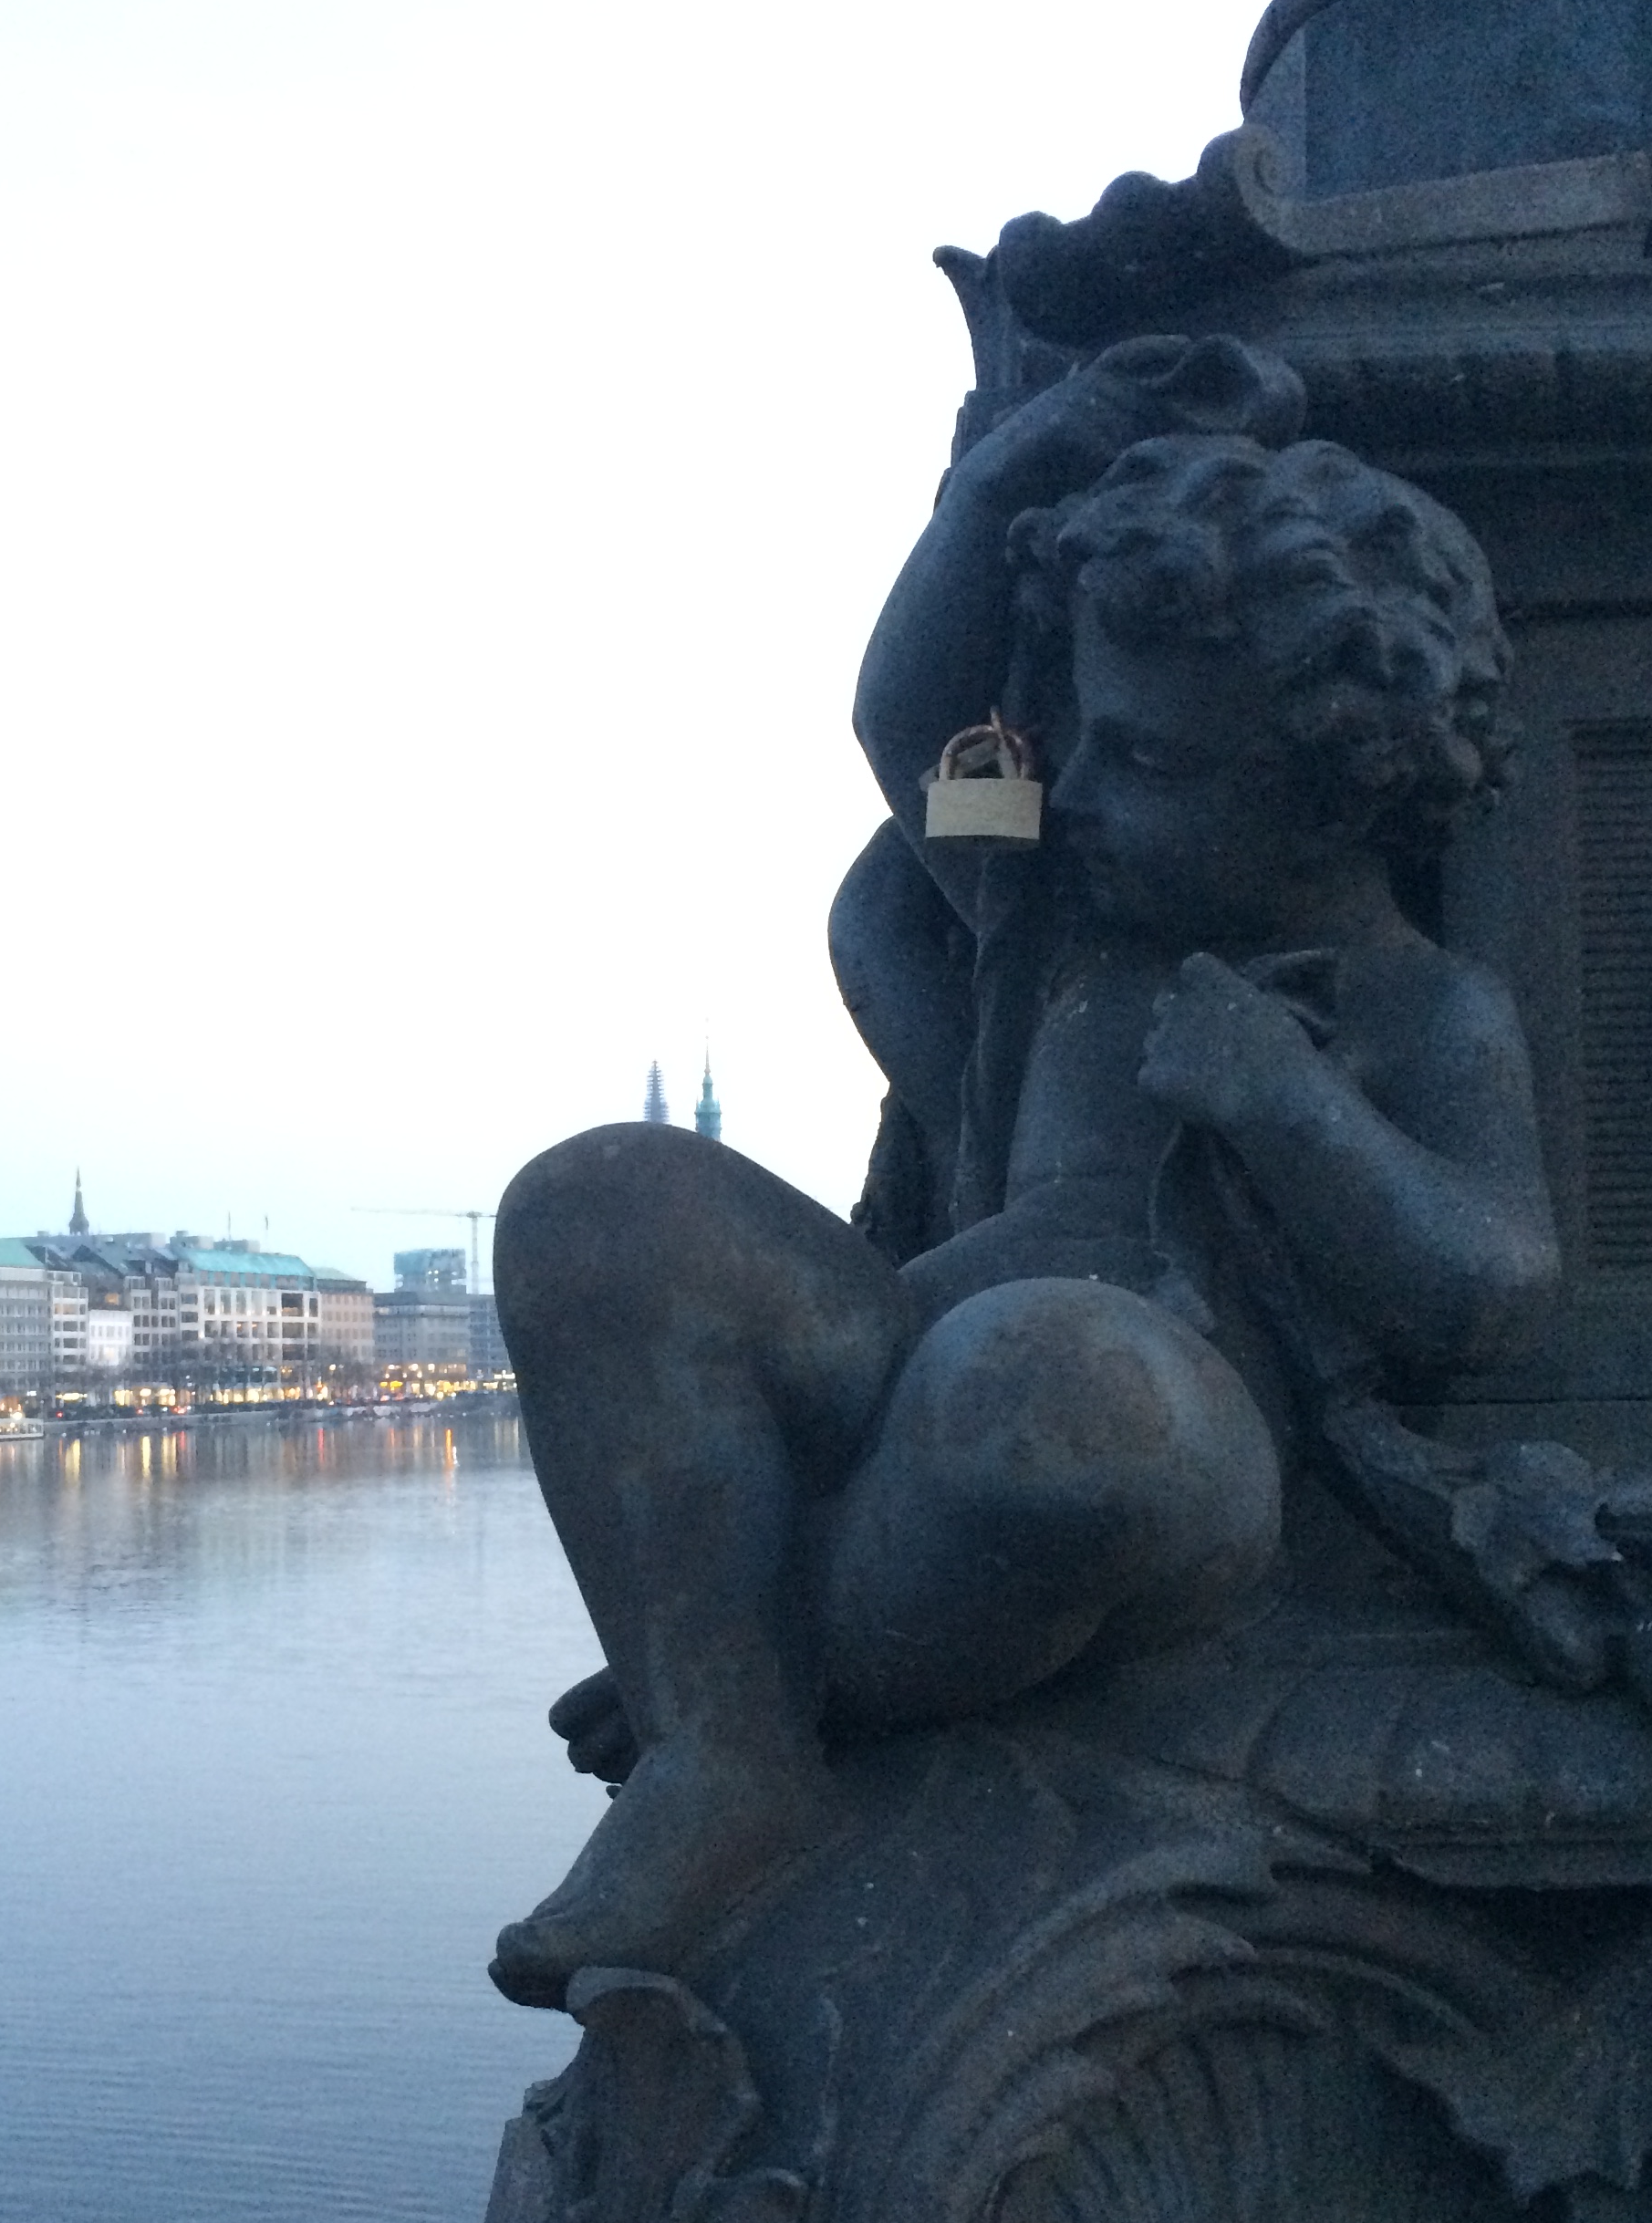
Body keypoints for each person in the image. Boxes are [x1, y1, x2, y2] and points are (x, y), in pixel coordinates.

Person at [488, 338, 1559, 2008]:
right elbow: (901, 714)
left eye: (1153, 763)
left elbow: (1492, 1283)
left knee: (1054, 1399)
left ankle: (739, 1664)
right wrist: (1006, 474)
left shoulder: (1419, 1011)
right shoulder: (1058, 915)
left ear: (1335, 797)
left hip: (1172, 1432)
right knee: (598, 1203)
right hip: (919, 1347)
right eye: (1086, 738)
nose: (1086, 790)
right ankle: (727, 1752)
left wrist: (1291, 1106)